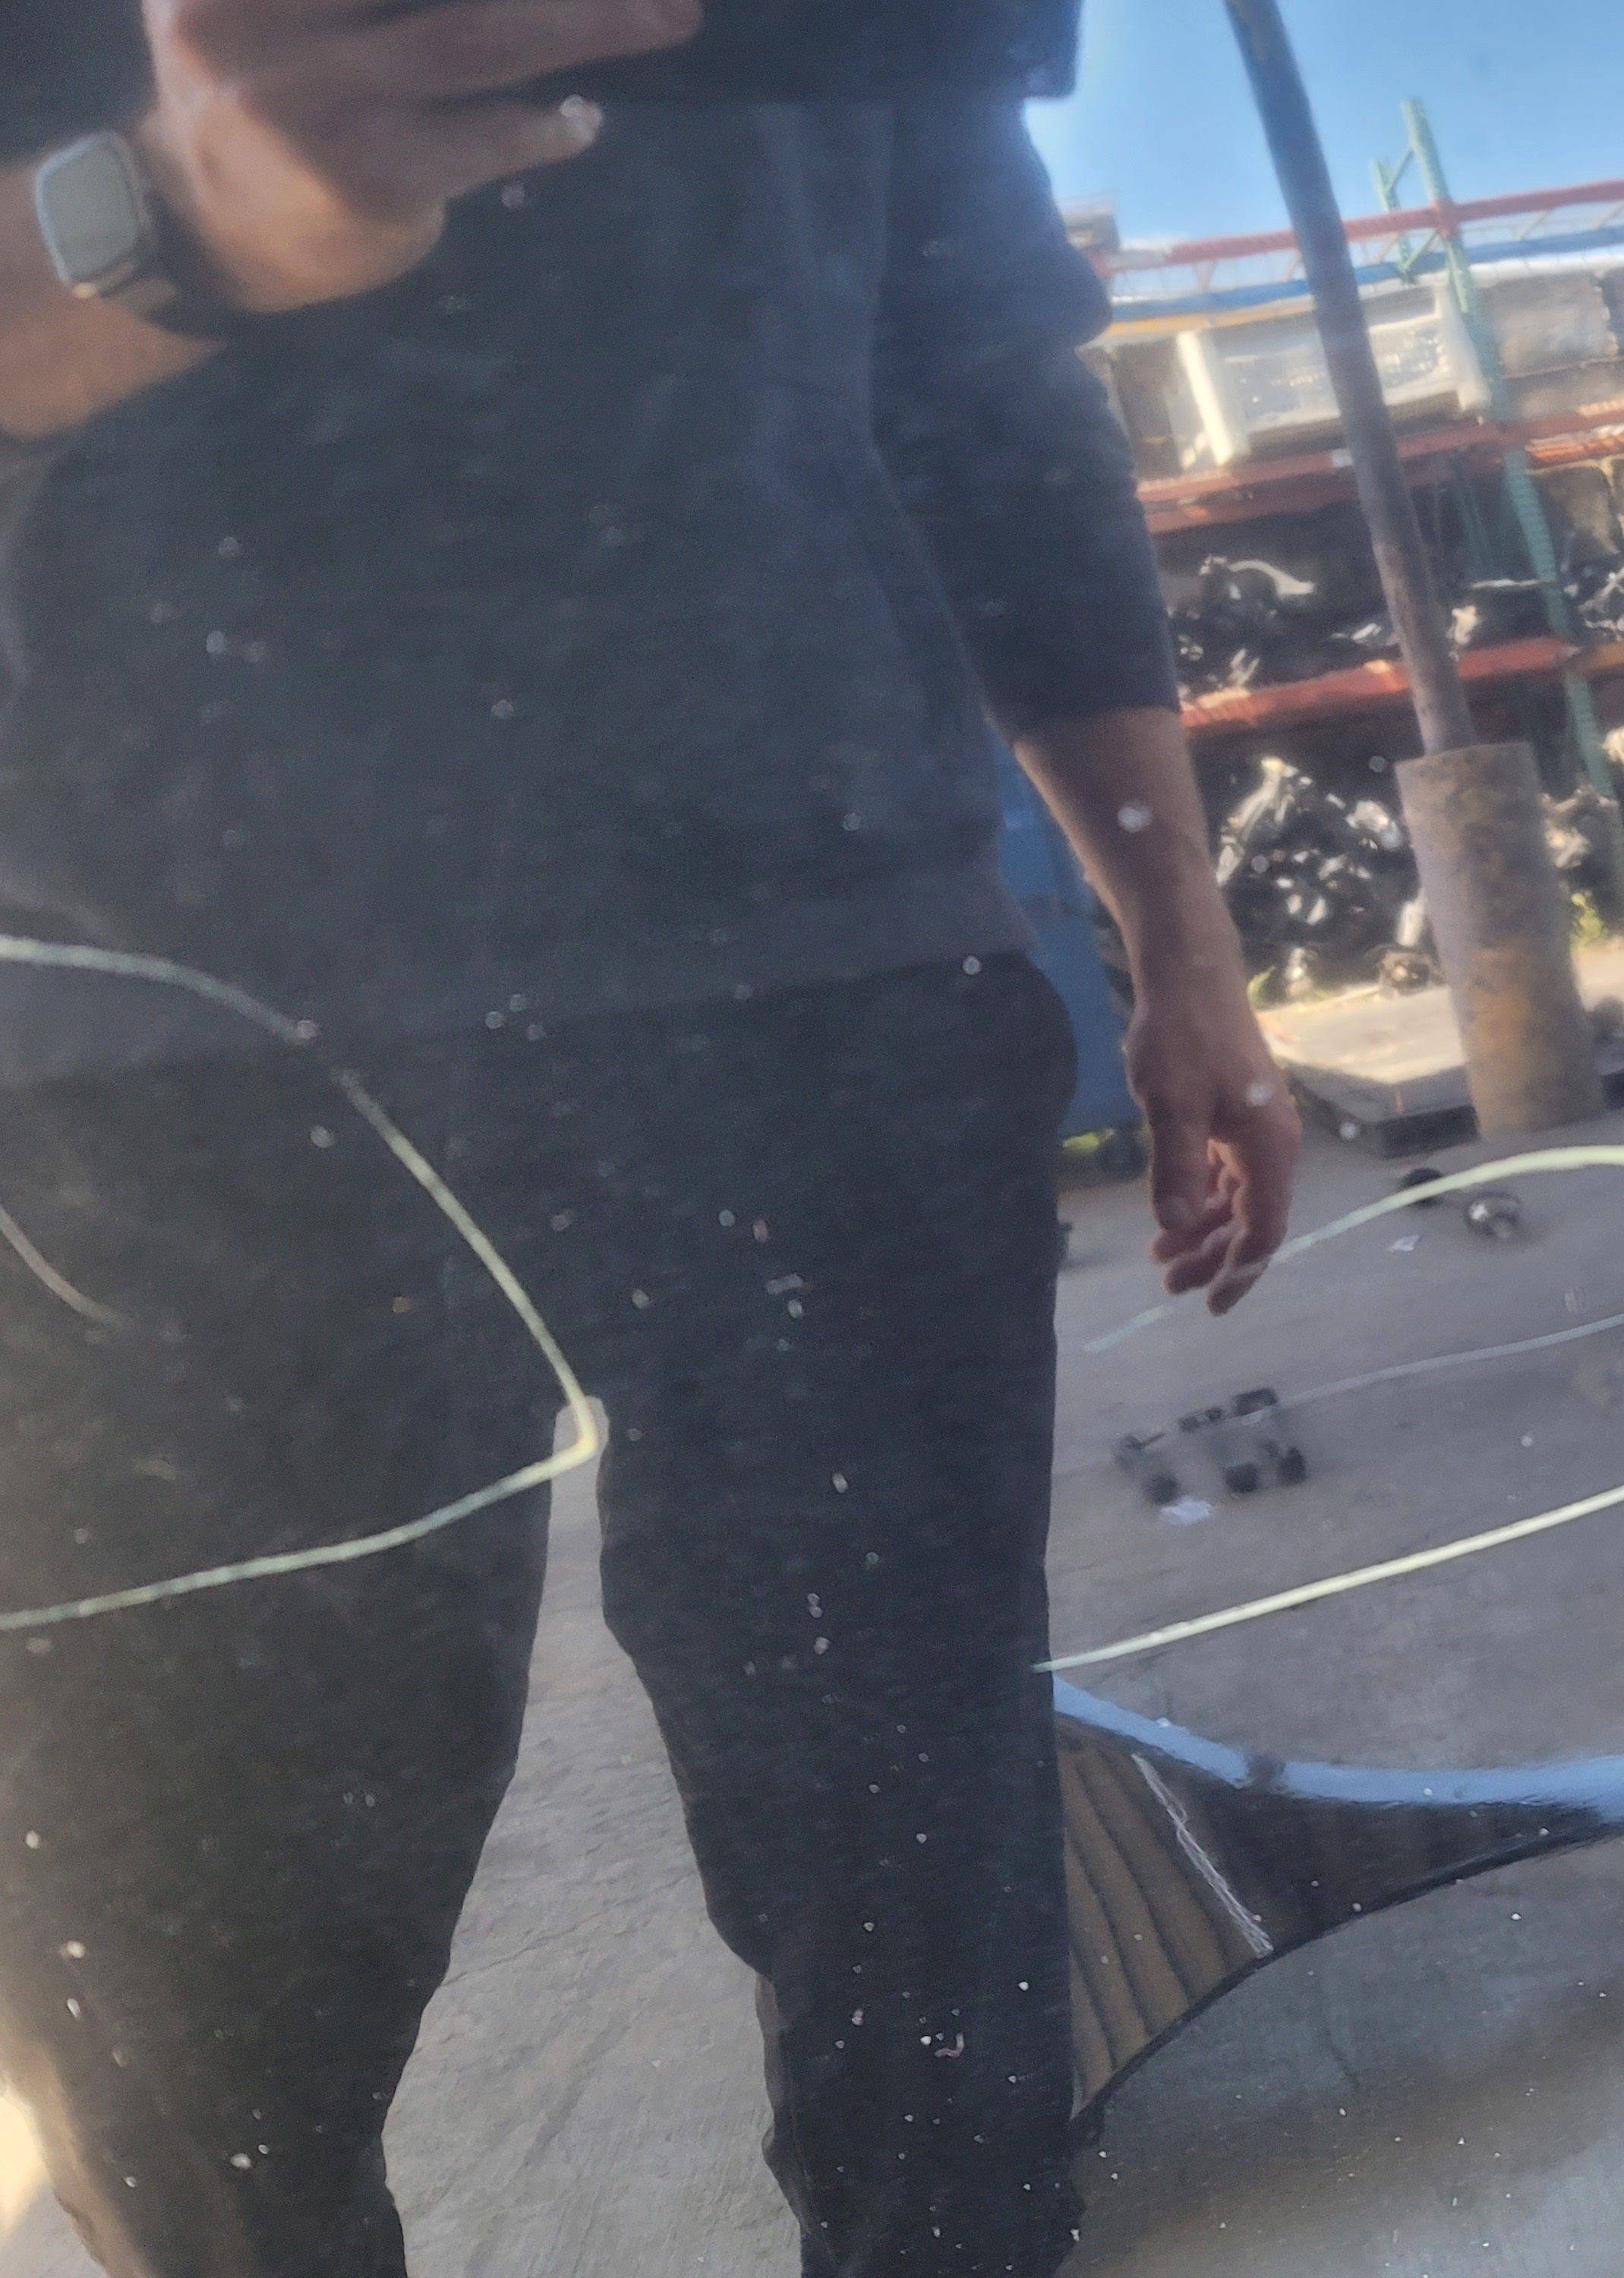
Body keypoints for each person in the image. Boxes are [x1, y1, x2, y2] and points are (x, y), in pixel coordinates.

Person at [0, 2, 1299, 2273]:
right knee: (209, 2042)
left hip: (822, 965)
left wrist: (1180, 946)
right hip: (160, 1042)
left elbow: (983, 387)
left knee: (931, 1945)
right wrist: (156, 223)